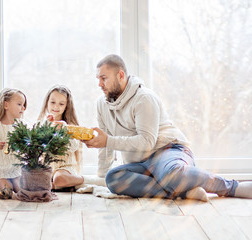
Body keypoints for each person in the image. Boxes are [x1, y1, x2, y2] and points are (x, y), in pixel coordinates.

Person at [84, 54, 252, 201]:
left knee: (172, 174)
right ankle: (182, 193)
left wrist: (107, 141)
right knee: (114, 179)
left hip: (167, 151)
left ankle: (232, 187)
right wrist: (102, 175)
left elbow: (146, 142)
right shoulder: (102, 104)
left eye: (103, 78)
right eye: (97, 78)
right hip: (141, 164)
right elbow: (105, 145)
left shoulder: (144, 98)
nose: (99, 84)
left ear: (121, 75)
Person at [0, 88, 27, 199]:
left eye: (24, 105)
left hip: (15, 169)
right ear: (6, 105)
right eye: (20, 104)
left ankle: (6, 183)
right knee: (7, 194)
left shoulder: (20, 125)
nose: (23, 108)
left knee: (21, 191)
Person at [38, 85, 84, 189]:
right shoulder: (41, 124)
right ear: (47, 103)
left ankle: (82, 180)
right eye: (52, 102)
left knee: (59, 178)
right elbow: (37, 146)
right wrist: (47, 127)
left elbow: (73, 146)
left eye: (61, 104)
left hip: (65, 168)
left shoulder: (70, 125)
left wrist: (64, 130)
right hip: (47, 169)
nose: (56, 107)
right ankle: (55, 185)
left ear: (66, 106)